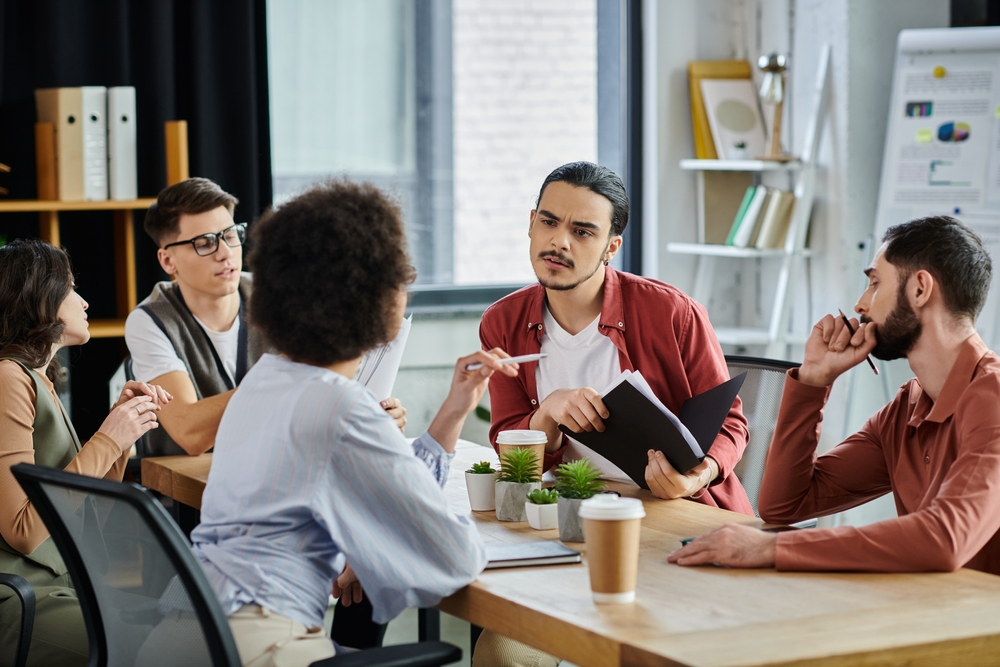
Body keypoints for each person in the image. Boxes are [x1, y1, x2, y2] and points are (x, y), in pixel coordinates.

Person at [139, 179, 516, 667]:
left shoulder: (265, 379)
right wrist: (377, 543)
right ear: (376, 297)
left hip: (181, 633)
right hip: (262, 645)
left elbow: (386, 497)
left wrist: (451, 414)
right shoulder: (342, 407)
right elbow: (451, 559)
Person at [475, 161, 752, 667]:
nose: (559, 241)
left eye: (583, 231)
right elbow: (506, 441)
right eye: (549, 221)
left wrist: (695, 478)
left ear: (610, 247)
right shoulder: (503, 321)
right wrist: (548, 417)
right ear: (531, 221)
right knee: (501, 656)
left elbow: (731, 423)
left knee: (640, 650)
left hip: (669, 522)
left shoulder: (671, 312)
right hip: (568, 524)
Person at [668, 215, 1000, 575]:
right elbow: (785, 505)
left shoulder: (992, 400)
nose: (860, 304)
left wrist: (772, 547)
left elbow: (945, 539)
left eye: (874, 283)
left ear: (920, 289)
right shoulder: (907, 408)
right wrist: (813, 381)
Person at [125, 177, 409, 458]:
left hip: (276, 461)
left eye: (230, 235)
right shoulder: (149, 320)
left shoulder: (272, 291)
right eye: (204, 243)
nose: (225, 253)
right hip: (185, 491)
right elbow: (189, 433)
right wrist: (285, 368)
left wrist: (370, 415)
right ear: (167, 261)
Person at [0, 239, 169, 667]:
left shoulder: (39, 382)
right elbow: (22, 529)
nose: (84, 300)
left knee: (188, 635)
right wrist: (108, 439)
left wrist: (121, 433)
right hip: (21, 600)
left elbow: (89, 518)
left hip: (64, 585)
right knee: (171, 649)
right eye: (71, 288)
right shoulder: (7, 379)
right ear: (40, 297)